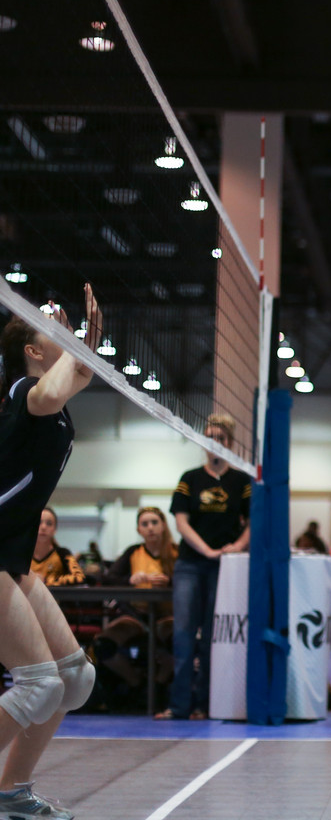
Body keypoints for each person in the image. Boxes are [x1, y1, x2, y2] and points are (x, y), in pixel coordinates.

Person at [0, 286, 102, 820]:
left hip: (11, 556)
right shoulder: (23, 390)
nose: (63, 337)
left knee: (74, 681)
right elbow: (52, 390)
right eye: (51, 333)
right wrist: (76, 340)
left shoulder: (53, 401)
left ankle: (11, 793)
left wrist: (85, 339)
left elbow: (78, 375)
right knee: (39, 685)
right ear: (33, 351)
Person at [156, 413, 251, 721]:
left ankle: (205, 705)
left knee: (213, 637)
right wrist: (207, 550)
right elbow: (181, 523)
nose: (215, 443)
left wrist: (236, 546)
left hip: (224, 567)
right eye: (210, 437)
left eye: (220, 438)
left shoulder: (242, 481)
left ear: (230, 443)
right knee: (184, 635)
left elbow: (253, 522)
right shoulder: (190, 479)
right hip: (190, 564)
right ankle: (179, 706)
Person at [95, 506, 178, 698]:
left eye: (154, 522)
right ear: (138, 530)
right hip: (135, 616)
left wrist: (170, 582)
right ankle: (137, 684)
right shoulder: (133, 552)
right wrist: (130, 580)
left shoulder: (177, 552)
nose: (150, 528)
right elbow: (108, 579)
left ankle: (158, 684)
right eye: (145, 524)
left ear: (163, 526)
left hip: (168, 616)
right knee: (102, 646)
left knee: (180, 645)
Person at [30, 508, 85, 587]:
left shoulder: (63, 553)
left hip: (54, 595)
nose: (43, 527)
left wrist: (46, 580)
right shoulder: (21, 556)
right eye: (39, 522)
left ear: (55, 530)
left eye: (49, 523)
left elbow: (80, 578)